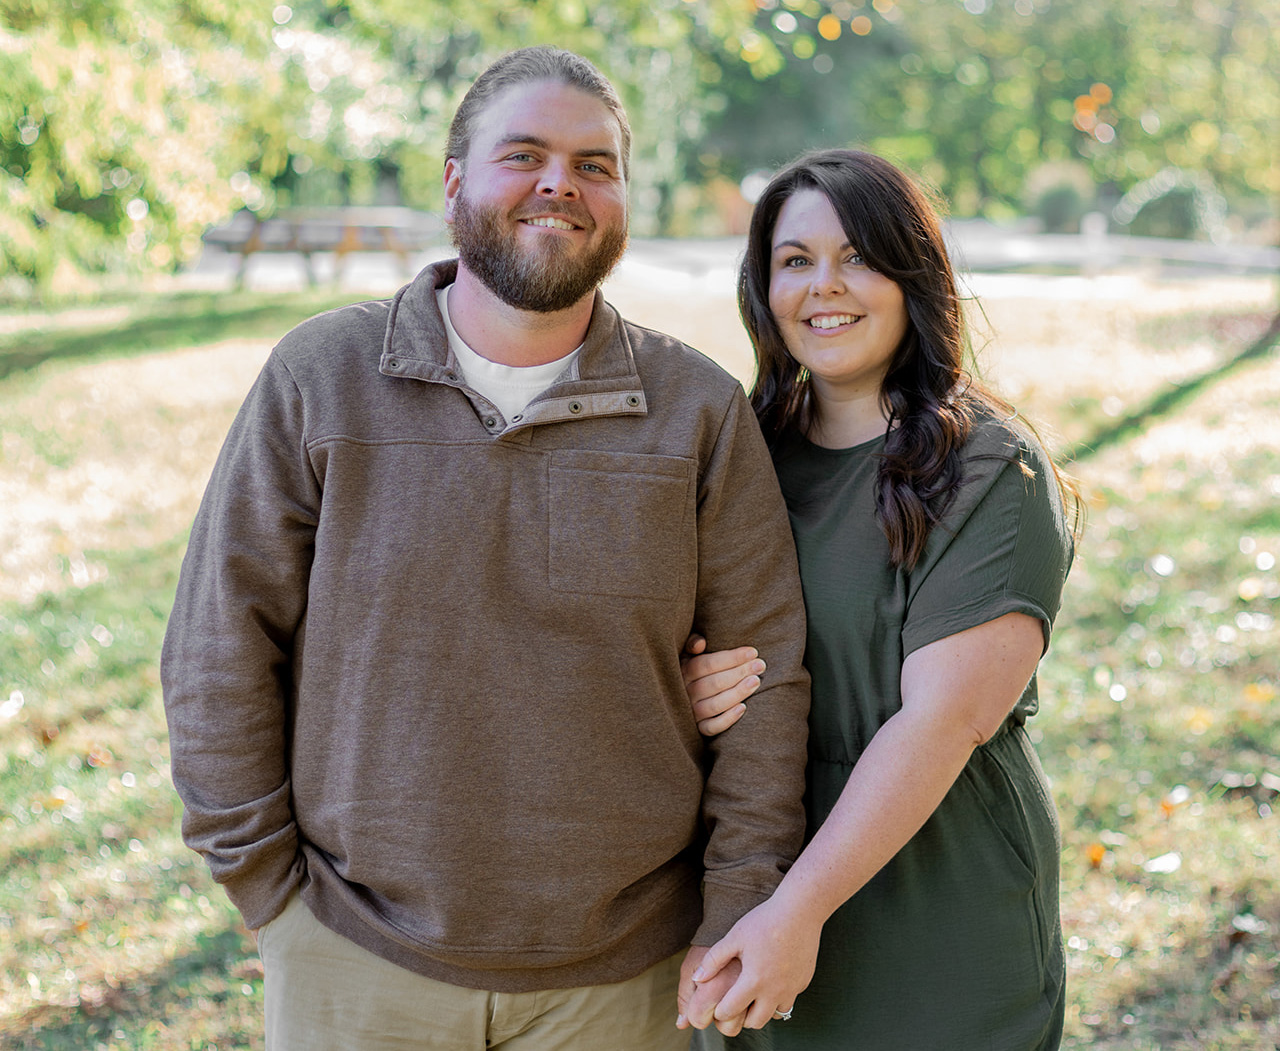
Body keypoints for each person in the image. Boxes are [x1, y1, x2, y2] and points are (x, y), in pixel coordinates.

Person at [160, 46, 811, 1051]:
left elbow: (766, 679)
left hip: (622, 975)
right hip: (352, 954)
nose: (560, 184)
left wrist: (737, 900)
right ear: (454, 180)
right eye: (524, 155)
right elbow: (219, 644)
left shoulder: (696, 409)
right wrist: (265, 888)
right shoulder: (322, 377)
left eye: (593, 165)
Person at [677, 149, 1079, 1049]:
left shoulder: (990, 469)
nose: (825, 285)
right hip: (752, 866)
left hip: (937, 893)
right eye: (796, 260)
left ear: (912, 275)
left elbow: (943, 720)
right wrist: (685, 687)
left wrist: (797, 910)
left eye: (857, 255)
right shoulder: (736, 455)